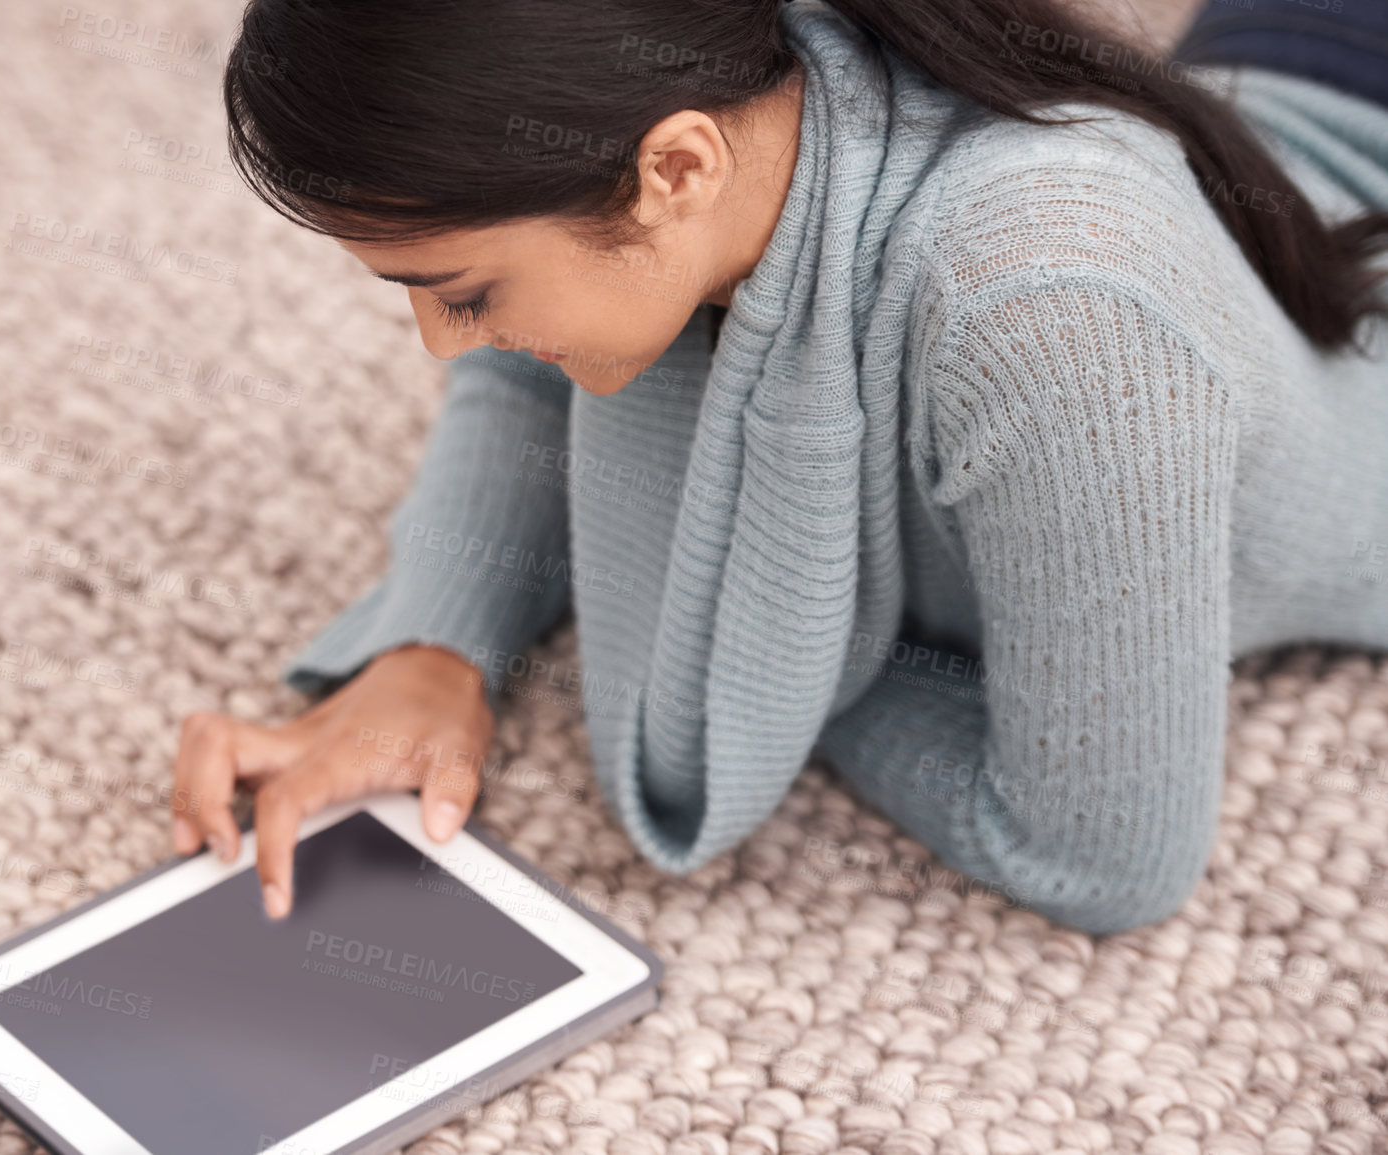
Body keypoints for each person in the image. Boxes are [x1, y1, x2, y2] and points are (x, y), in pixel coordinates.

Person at [171, 0, 1388, 934]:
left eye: (466, 291)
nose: (442, 345)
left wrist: (777, 661)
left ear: (680, 169)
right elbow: (523, 376)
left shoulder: (1053, 315)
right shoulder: (748, 99)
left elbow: (1099, 857)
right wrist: (433, 657)